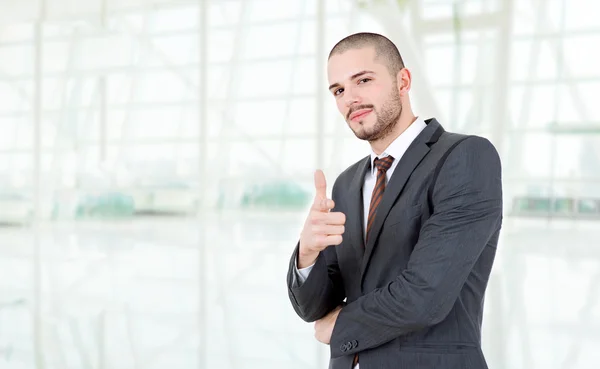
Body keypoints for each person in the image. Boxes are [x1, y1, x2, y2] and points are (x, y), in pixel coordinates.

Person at [285, 32, 503, 369]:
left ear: (403, 81)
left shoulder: (465, 158)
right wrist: (308, 253)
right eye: (339, 90)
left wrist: (340, 325)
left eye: (364, 80)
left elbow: (426, 294)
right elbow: (313, 308)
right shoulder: (346, 183)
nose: (350, 99)